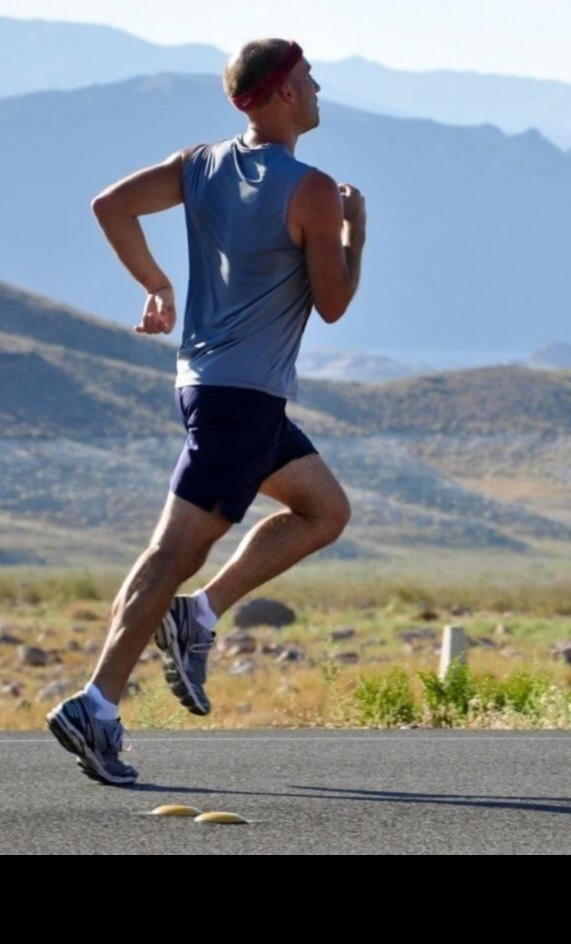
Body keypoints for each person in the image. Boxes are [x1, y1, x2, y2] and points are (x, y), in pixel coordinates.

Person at [47, 39, 366, 784]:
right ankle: (96, 703)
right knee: (171, 552)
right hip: (242, 399)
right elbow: (334, 303)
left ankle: (199, 614)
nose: (319, 91)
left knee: (324, 510)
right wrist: (356, 231)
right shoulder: (313, 190)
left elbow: (111, 204)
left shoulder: (200, 163)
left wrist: (156, 283)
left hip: (213, 387)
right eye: (311, 80)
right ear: (284, 91)